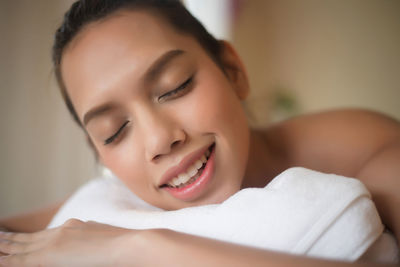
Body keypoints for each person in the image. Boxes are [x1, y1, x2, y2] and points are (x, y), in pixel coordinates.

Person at [0, 0, 399, 266]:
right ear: (99, 154)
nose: (159, 140)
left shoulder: (368, 151)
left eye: (174, 86)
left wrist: (138, 247)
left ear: (233, 71)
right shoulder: (107, 204)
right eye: (114, 131)